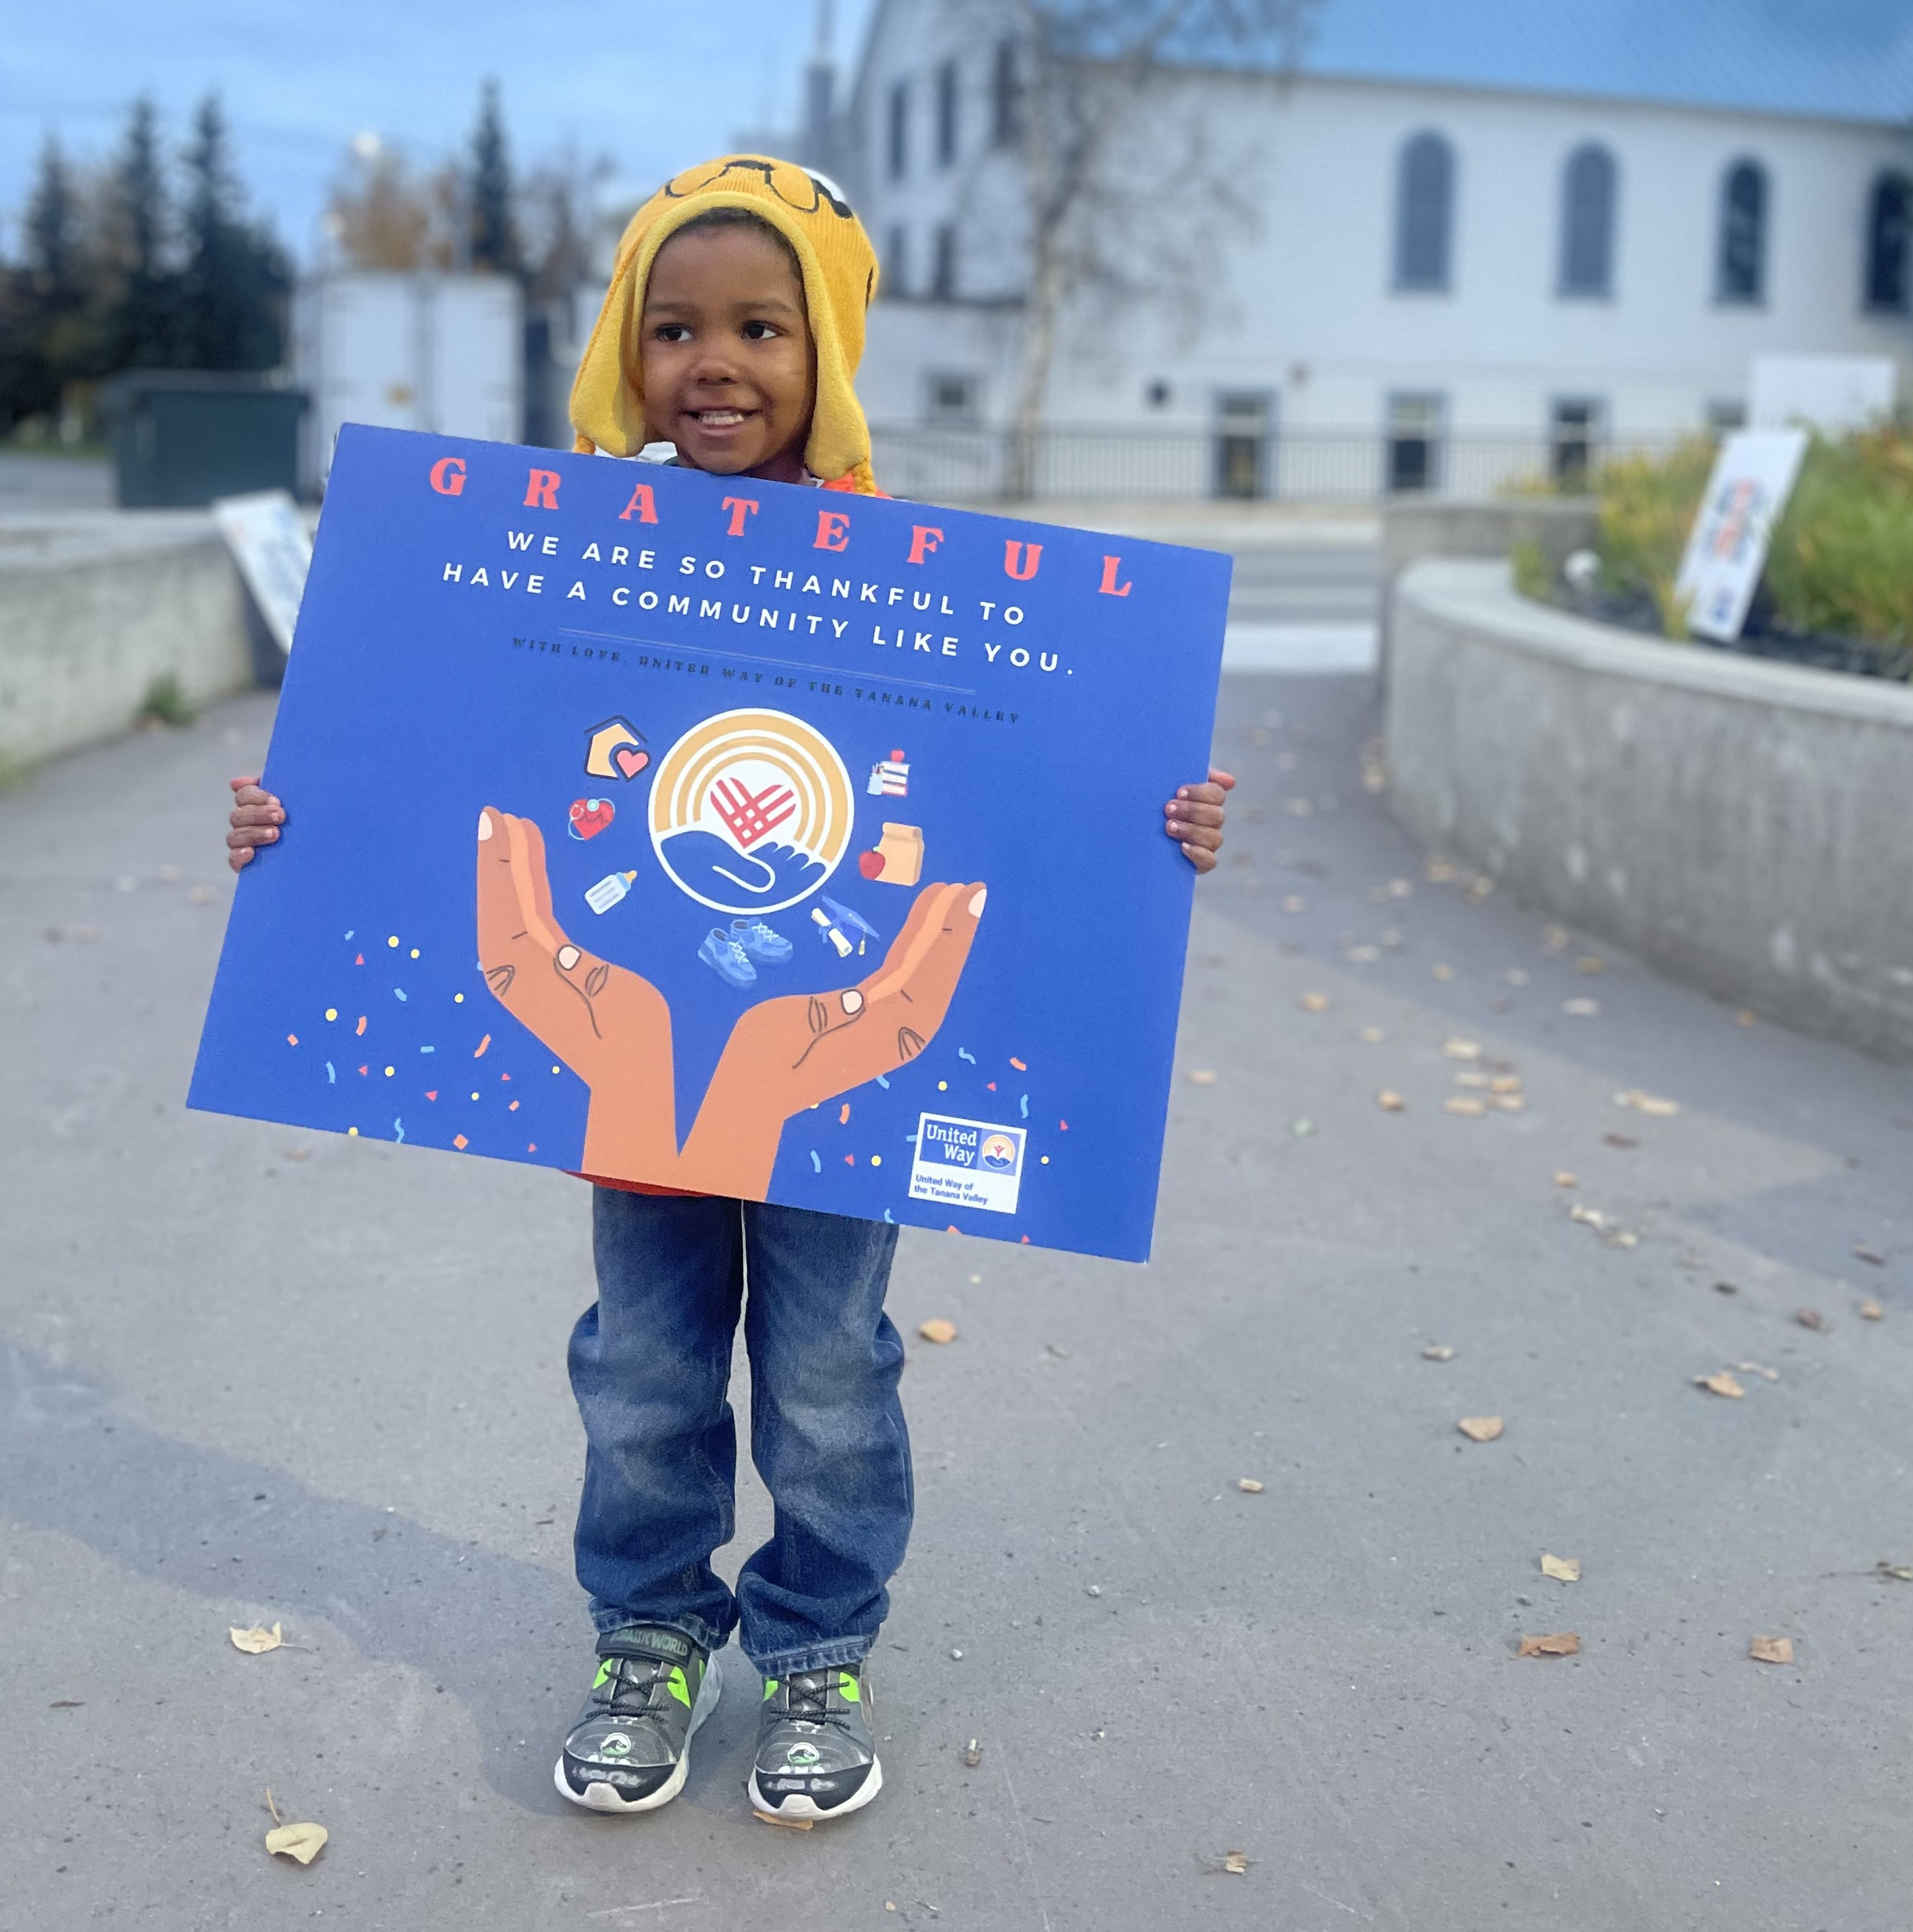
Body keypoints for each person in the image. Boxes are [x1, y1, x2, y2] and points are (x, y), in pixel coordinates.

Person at [228, 153, 1233, 1826]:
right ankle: (647, 1629)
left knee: (830, 1369)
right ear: (623, 347)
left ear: (824, 351)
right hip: (639, 1081)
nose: (715, 361)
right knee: (642, 1361)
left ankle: (819, 1642)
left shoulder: (919, 583)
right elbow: (429, 754)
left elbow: (1038, 792)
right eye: (672, 324)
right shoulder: (561, 567)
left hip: (830, 1084)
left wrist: (1160, 830)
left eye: (761, 326)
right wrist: (299, 824)